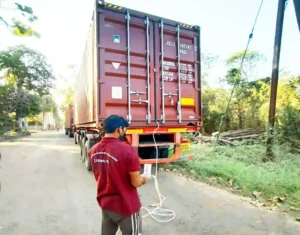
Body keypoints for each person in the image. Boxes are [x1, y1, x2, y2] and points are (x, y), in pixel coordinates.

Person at [88, 115, 148, 235]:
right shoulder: (128, 150)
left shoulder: (93, 150)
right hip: (126, 206)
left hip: (106, 204)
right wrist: (144, 179)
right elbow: (135, 182)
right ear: (119, 129)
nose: (124, 131)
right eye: (124, 129)